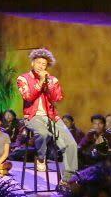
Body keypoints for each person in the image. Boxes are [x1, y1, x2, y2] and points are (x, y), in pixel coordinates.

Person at [16, 48, 78, 183]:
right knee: (43, 133)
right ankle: (40, 156)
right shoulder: (23, 78)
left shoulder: (52, 80)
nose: (40, 66)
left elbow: (57, 97)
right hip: (32, 117)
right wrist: (40, 82)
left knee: (71, 144)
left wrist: (48, 83)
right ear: (32, 63)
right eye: (38, 63)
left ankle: (67, 181)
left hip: (51, 116)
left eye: (44, 64)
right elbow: (28, 96)